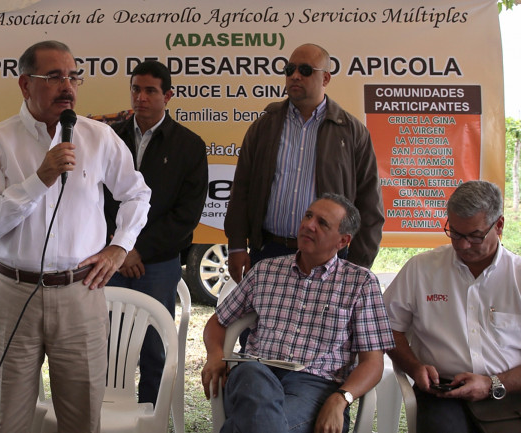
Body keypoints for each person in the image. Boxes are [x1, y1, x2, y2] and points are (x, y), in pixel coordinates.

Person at [0, 40, 151, 432]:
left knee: (81, 420)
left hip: (79, 294)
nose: (67, 86)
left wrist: (120, 246)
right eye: (53, 77)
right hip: (12, 293)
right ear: (25, 84)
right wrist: (39, 180)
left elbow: (137, 194)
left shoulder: (99, 137)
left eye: (73, 77)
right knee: (11, 421)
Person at [202, 194, 394, 433]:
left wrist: (341, 398)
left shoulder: (360, 282)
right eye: (308, 216)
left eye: (322, 223)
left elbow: (373, 363)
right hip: (255, 375)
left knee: (254, 422)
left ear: (343, 241)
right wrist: (215, 354)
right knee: (250, 372)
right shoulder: (266, 270)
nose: (309, 225)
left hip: (315, 385)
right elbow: (218, 321)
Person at [225, 43, 383, 284]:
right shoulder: (264, 126)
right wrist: (236, 245)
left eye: (306, 70)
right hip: (268, 252)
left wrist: (356, 266)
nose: (295, 76)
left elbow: (369, 204)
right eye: (290, 70)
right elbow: (242, 190)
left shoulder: (351, 132)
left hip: (327, 257)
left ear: (326, 78)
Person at [104, 59, 207, 405]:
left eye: (150, 91)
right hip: (110, 261)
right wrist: (118, 248)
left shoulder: (189, 145)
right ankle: (108, 419)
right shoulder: (109, 138)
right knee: (108, 349)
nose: (141, 97)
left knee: (153, 351)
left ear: (168, 96)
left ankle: (151, 420)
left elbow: (186, 216)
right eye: (136, 89)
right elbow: (95, 201)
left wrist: (137, 250)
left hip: (157, 264)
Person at [383, 180, 521, 433]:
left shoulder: (517, 276)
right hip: (442, 391)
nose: (463, 245)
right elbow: (386, 327)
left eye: (475, 236)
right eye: (455, 233)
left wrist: (492, 384)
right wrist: (414, 366)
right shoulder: (422, 269)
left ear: (499, 225)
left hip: (509, 390)